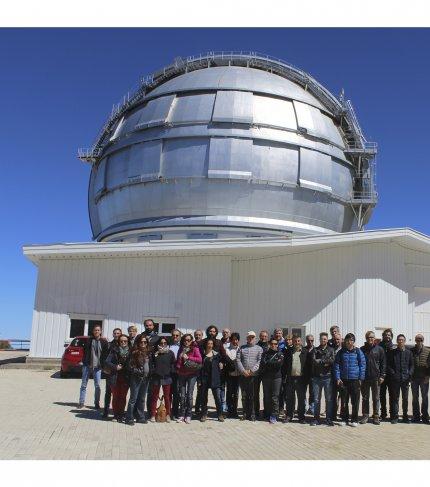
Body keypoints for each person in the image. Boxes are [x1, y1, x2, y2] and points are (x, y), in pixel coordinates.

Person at [334, 333, 366, 427]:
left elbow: (362, 365)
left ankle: (354, 419)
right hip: (344, 380)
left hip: (355, 380)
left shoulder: (358, 352)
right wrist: (338, 378)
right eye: (347, 340)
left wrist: (361, 378)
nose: (349, 342)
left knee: (355, 401)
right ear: (345, 341)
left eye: (351, 340)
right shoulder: (341, 352)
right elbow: (337, 365)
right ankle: (344, 419)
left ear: (353, 341)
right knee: (344, 401)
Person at [78, 325, 109, 409]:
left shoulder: (104, 342)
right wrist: (84, 361)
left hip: (98, 367)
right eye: (95, 330)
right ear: (93, 331)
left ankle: (96, 403)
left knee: (97, 386)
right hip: (87, 365)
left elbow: (106, 354)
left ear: (101, 331)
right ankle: (81, 402)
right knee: (84, 385)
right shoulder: (89, 340)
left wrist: (104, 365)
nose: (96, 331)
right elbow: (84, 351)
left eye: (98, 330)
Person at [282, 335, 311, 424]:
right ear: (292, 342)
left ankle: (301, 417)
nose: (297, 343)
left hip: (301, 379)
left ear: (301, 341)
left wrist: (307, 380)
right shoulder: (288, 352)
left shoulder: (305, 352)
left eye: (298, 341)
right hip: (290, 378)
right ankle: (289, 416)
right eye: (295, 341)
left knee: (301, 399)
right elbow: (285, 366)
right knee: (290, 398)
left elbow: (308, 367)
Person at [359, 331, 386, 425]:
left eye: (372, 337)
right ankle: (365, 416)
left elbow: (383, 364)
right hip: (365, 378)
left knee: (376, 398)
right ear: (366, 338)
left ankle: (376, 416)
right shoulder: (361, 349)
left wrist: (382, 375)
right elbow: (358, 363)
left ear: (375, 338)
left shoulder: (379, 349)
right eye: (369, 337)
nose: (371, 339)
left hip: (376, 378)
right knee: (365, 398)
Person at [387, 334, 414, 424]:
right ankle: (395, 417)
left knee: (405, 399)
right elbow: (389, 365)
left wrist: (409, 374)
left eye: (402, 340)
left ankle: (405, 416)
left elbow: (412, 365)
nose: (400, 341)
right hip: (395, 380)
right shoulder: (392, 352)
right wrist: (393, 374)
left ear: (404, 341)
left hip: (405, 380)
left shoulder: (408, 352)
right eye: (399, 340)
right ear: (397, 341)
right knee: (395, 398)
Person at [236, 331, 263, 421]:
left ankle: (252, 414)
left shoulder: (259, 349)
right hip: (243, 375)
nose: (250, 339)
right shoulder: (241, 348)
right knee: (244, 395)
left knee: (253, 395)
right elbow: (238, 360)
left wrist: (252, 370)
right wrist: (243, 371)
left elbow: (260, 361)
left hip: (254, 376)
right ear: (247, 338)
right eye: (249, 337)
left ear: (255, 338)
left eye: (252, 337)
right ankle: (245, 413)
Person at [125, 334, 151, 425]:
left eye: (145, 342)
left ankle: (140, 416)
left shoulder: (148, 352)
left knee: (142, 398)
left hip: (146, 378)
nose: (143, 343)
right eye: (141, 342)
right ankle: (129, 418)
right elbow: (130, 366)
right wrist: (138, 372)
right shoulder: (134, 352)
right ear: (138, 342)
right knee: (133, 399)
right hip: (136, 378)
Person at [176, 333, 202, 423]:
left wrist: (189, 357)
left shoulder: (195, 349)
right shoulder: (181, 349)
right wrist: (178, 365)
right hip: (181, 374)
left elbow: (199, 360)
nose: (187, 342)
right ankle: (182, 414)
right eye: (185, 340)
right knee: (182, 395)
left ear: (191, 341)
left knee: (189, 395)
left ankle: (189, 414)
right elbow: (179, 361)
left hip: (192, 374)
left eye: (189, 340)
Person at [310, 332, 335, 426]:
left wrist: (321, 360)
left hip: (327, 378)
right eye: (322, 339)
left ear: (327, 340)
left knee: (328, 399)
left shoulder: (331, 350)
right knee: (316, 399)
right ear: (319, 340)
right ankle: (316, 419)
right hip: (317, 378)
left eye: (325, 339)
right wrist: (325, 362)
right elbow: (314, 361)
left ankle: (328, 419)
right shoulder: (315, 350)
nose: (323, 340)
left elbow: (332, 361)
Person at [105, 334, 131, 422]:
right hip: (115, 376)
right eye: (121, 341)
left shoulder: (131, 351)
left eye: (125, 341)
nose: (123, 342)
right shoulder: (114, 350)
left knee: (123, 397)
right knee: (116, 396)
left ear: (128, 342)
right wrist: (115, 367)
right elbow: (107, 362)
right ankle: (116, 415)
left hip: (126, 377)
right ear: (119, 342)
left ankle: (121, 414)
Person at [150, 336, 176, 423]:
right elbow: (151, 363)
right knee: (154, 397)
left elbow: (173, 364)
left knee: (167, 397)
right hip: (156, 377)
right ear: (158, 343)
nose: (163, 344)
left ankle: (168, 414)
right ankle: (153, 414)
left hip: (167, 377)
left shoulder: (170, 353)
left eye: (165, 343)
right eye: (161, 343)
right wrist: (154, 371)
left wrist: (170, 371)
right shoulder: (155, 353)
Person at [199, 338, 225, 422]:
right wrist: (199, 380)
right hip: (204, 379)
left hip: (215, 379)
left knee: (217, 397)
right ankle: (204, 414)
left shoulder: (217, 355)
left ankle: (220, 414)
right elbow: (199, 368)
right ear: (206, 344)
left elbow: (222, 362)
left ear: (213, 345)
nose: (209, 345)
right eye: (208, 343)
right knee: (203, 398)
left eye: (211, 344)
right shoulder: (202, 355)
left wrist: (221, 364)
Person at [260, 338, 284, 423]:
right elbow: (263, 363)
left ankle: (274, 415)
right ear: (269, 344)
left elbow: (279, 365)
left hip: (276, 378)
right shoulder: (265, 353)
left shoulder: (280, 354)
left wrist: (269, 363)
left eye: (275, 344)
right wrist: (273, 362)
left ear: (277, 345)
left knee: (275, 397)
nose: (274, 345)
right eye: (272, 344)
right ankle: (267, 414)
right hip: (266, 377)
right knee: (266, 396)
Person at [102, 327, 122, 418]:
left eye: (118, 333)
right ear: (113, 334)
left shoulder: (124, 343)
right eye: (115, 333)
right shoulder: (109, 345)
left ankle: (117, 411)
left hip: (121, 373)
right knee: (108, 392)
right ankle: (106, 410)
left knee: (118, 393)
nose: (116, 335)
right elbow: (105, 359)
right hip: (110, 372)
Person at [411, 334, 430, 423]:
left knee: (425, 397)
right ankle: (416, 416)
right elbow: (409, 364)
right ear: (415, 340)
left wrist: (428, 376)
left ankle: (425, 416)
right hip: (414, 378)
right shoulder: (411, 351)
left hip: (424, 378)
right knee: (415, 398)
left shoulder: (428, 351)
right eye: (417, 340)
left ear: (423, 340)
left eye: (421, 340)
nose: (419, 341)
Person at [379, 328, 395, 420]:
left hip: (391, 375)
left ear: (391, 336)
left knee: (392, 395)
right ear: (383, 336)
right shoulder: (379, 346)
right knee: (382, 395)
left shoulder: (394, 347)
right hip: (381, 375)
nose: (387, 336)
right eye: (386, 335)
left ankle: (392, 414)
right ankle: (383, 413)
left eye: (389, 335)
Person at [255, 330, 270, 418]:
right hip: (257, 372)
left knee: (266, 393)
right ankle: (256, 411)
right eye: (262, 336)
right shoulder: (256, 346)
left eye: (265, 336)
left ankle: (266, 412)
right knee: (256, 393)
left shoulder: (269, 346)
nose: (263, 337)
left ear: (267, 337)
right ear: (259, 337)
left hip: (266, 373)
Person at [225, 332, 240, 418]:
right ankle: (229, 411)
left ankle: (235, 411)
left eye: (236, 339)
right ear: (230, 340)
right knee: (229, 393)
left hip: (238, 375)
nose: (235, 341)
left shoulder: (240, 349)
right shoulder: (227, 349)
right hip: (230, 375)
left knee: (236, 393)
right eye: (233, 339)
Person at [169, 329, 182, 419]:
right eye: (173, 335)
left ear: (180, 336)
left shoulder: (183, 346)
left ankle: (175, 412)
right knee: (169, 393)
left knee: (177, 393)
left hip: (179, 372)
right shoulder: (168, 345)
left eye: (177, 335)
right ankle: (168, 411)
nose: (175, 337)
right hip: (169, 372)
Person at [332, 332, 343, 421]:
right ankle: (334, 414)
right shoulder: (331, 348)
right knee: (334, 397)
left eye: (338, 339)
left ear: (341, 339)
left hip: (342, 376)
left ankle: (343, 414)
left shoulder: (344, 349)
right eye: (335, 339)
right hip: (332, 376)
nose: (336, 341)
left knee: (343, 396)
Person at [220, 328, 231, 413]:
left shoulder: (232, 342)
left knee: (230, 387)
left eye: (226, 332)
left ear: (229, 334)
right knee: (222, 387)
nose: (225, 334)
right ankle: (223, 404)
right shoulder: (219, 342)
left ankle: (229, 404)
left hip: (230, 367)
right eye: (223, 332)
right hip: (222, 368)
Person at [305, 334, 315, 415]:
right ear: (306, 341)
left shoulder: (316, 350)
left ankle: (311, 408)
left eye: (312, 340)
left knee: (312, 392)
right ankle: (304, 407)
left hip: (313, 375)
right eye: (308, 340)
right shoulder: (303, 349)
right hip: (304, 375)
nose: (310, 342)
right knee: (303, 392)